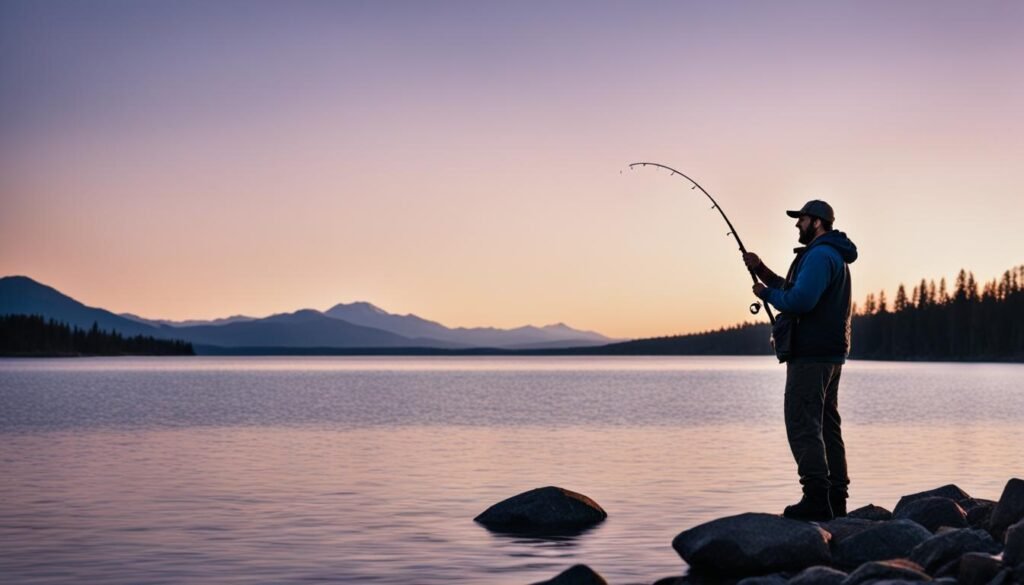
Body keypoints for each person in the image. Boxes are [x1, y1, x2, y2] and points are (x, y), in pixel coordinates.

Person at [743, 200, 858, 521]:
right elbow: (796, 288)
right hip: (829, 354)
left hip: (811, 354)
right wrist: (763, 272)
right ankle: (836, 499)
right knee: (826, 425)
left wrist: (766, 295)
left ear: (817, 222)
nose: (797, 225)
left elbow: (801, 300)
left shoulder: (820, 255)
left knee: (802, 423)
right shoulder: (829, 254)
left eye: (802, 220)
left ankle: (816, 498)